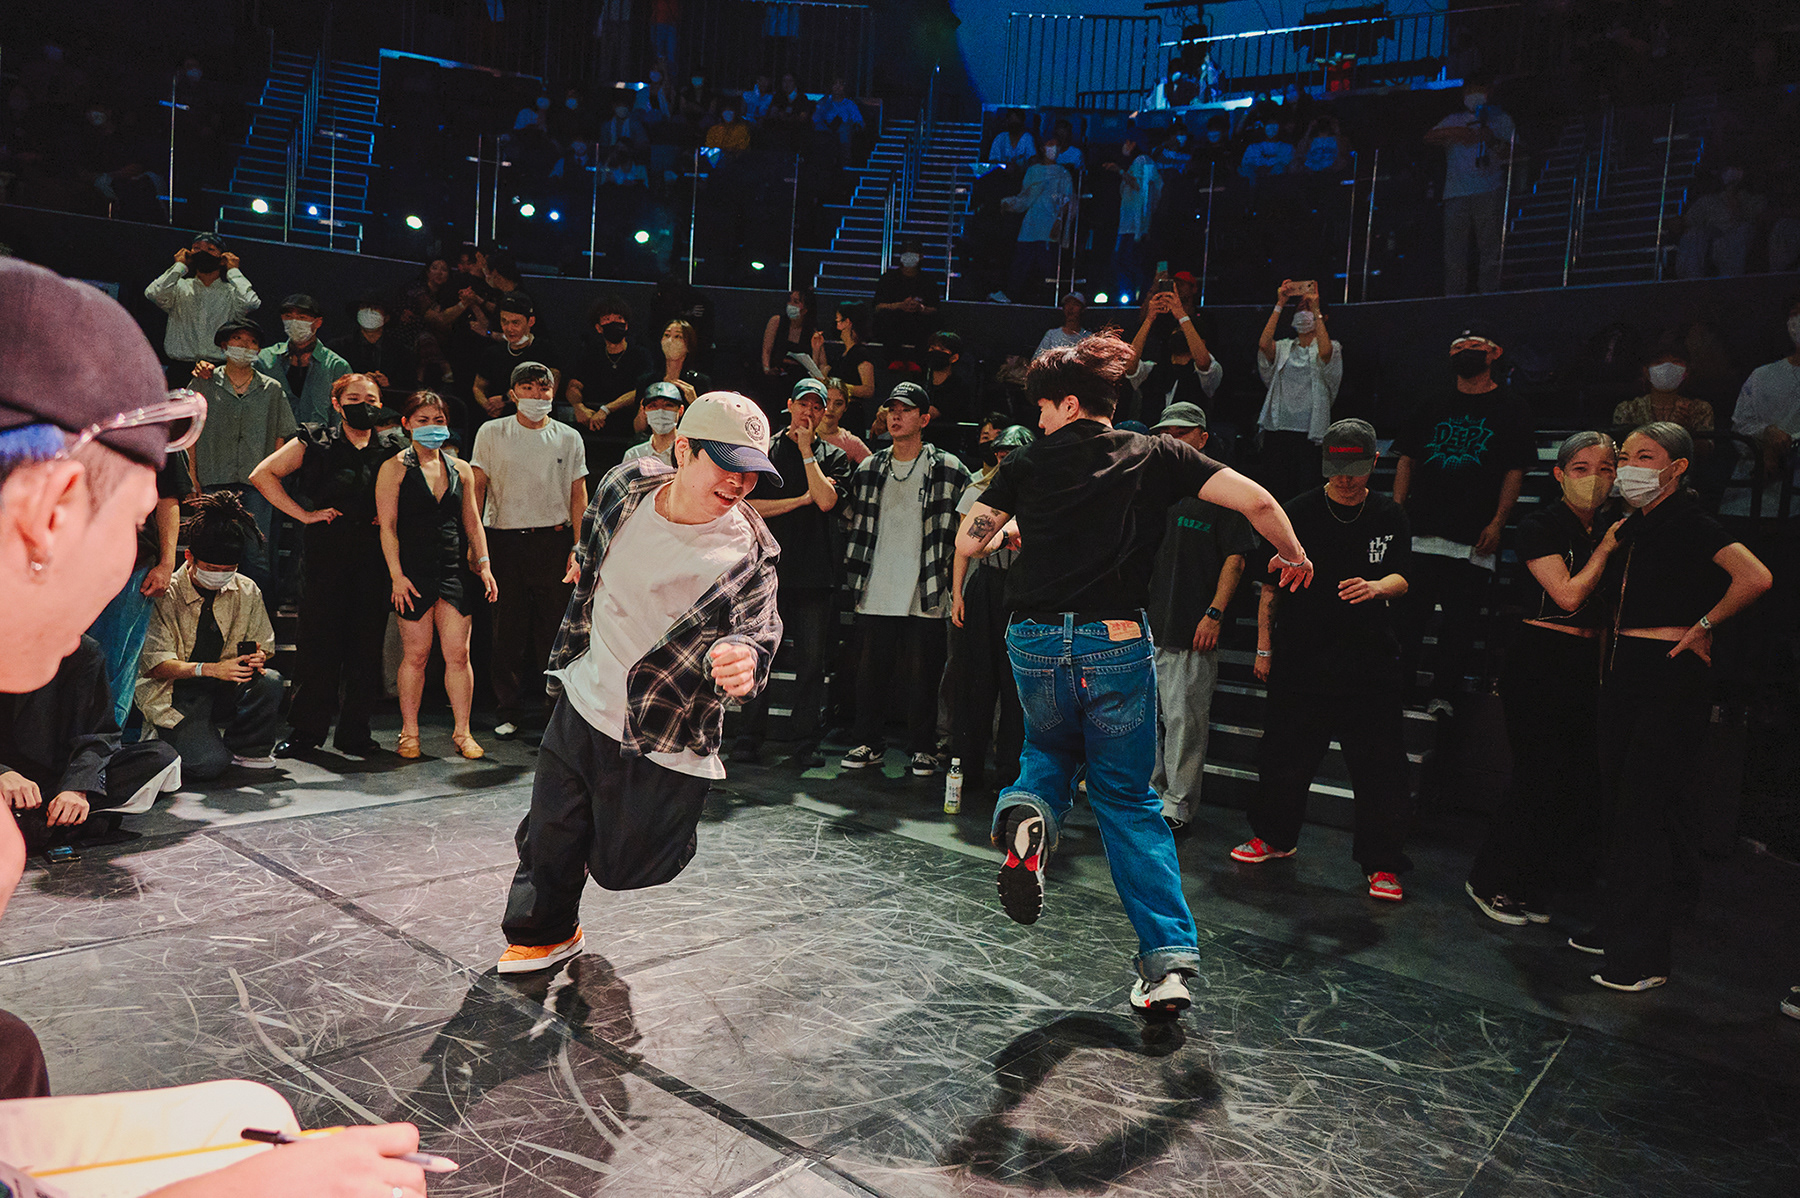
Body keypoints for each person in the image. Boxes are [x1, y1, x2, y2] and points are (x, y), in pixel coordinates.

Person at [957, 334, 1312, 1015]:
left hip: (1034, 636)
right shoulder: (1157, 453)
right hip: (1115, 638)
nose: (1038, 421)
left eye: (1042, 409)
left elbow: (971, 539)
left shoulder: (1025, 462)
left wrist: (1011, 532)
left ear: (1068, 404)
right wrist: (1294, 556)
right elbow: (1259, 503)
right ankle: (1167, 961)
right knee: (1126, 797)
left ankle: (1029, 812)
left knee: (1047, 750)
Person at [497, 393, 783, 974]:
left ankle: (587, 843)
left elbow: (758, 630)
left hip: (664, 724)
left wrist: (744, 659)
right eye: (726, 464)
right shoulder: (625, 487)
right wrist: (583, 559)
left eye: (752, 470)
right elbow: (592, 536)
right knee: (552, 827)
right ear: (684, 449)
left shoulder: (748, 552)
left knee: (625, 864)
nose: (739, 482)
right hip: (587, 694)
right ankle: (545, 931)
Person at [1584, 423, 1771, 991]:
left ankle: (1644, 957)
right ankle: (1622, 926)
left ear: (1678, 466)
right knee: (1623, 803)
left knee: (1644, 808)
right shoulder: (1632, 525)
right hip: (1625, 669)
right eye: (1625, 456)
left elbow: (1755, 577)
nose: (1630, 466)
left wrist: (1705, 625)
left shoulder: (1691, 521)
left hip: (1667, 672)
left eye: (1645, 456)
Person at [1233, 420, 1412, 900]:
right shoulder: (1297, 511)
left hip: (1369, 658)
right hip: (1302, 654)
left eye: (1356, 468)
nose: (1346, 478)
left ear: (1374, 463)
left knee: (1380, 766)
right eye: (1336, 467)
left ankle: (1383, 863)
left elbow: (1403, 576)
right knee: (1284, 754)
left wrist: (1377, 587)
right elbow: (1269, 586)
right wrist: (1264, 647)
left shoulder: (1389, 514)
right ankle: (1274, 836)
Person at [1465, 432, 1619, 925]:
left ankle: (1532, 882)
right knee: (1536, 774)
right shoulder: (1540, 525)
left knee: (1572, 779)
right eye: (1581, 468)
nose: (1594, 479)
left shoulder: (1609, 526)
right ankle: (1490, 880)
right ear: (1559, 474)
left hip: (1586, 659)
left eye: (1606, 469)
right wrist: (1607, 549)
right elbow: (1567, 595)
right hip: (1539, 657)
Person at [249, 374, 405, 757]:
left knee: (366, 647)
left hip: (373, 555)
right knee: (318, 644)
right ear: (337, 403)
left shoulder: (392, 448)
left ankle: (356, 732)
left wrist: (391, 517)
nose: (364, 404)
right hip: (325, 552)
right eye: (354, 398)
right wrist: (303, 515)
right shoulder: (316, 440)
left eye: (371, 399)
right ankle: (306, 732)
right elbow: (261, 475)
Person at [1392, 325, 1536, 717]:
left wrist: (1498, 522)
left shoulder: (1512, 407)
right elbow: (1406, 458)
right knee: (1407, 622)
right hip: (1420, 531)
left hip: (1474, 535)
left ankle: (1443, 695)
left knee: (1460, 627)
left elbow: (1514, 470)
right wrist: (1398, 509)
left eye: (1474, 346)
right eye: (1458, 347)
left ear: (1495, 352)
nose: (1465, 352)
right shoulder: (1431, 403)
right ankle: (1400, 691)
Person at [840, 382, 971, 777]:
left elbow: (969, 517)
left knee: (924, 675)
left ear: (924, 419)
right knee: (870, 673)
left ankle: (922, 747)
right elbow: (850, 518)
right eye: (892, 409)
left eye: (906, 410)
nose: (895, 416)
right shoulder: (870, 467)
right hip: (876, 583)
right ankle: (868, 742)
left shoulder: (948, 467)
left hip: (925, 585)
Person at [735, 379, 854, 766]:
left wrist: (806, 452)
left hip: (814, 575)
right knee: (757, 656)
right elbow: (747, 506)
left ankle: (805, 742)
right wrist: (799, 501)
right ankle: (748, 737)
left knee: (810, 664)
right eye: (803, 404)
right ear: (789, 405)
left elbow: (826, 501)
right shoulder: (764, 452)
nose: (809, 412)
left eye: (817, 407)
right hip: (766, 572)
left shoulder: (833, 457)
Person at [1145, 402, 1253, 831]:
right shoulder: (1150, 485)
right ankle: (1150, 798)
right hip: (1144, 625)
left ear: (1203, 438)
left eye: (1181, 433)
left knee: (1184, 722)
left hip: (1190, 625)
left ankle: (1178, 806)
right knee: (1146, 723)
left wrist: (1214, 613)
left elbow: (1236, 558)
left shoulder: (1223, 488)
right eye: (1165, 433)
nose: (1171, 440)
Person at [375, 390, 497, 760]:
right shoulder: (394, 468)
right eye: (423, 420)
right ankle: (409, 733)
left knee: (458, 653)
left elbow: (472, 522)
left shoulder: (461, 468)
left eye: (438, 420)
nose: (432, 427)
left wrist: (484, 564)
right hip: (412, 570)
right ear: (407, 424)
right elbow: (388, 527)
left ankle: (463, 731)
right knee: (416, 654)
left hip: (453, 569)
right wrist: (396, 576)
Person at [471, 363, 589, 740]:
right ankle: (508, 708)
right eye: (527, 387)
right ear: (512, 393)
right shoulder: (492, 432)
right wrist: (477, 545)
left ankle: (556, 711)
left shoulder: (568, 436)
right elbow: (476, 488)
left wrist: (579, 544)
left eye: (543, 388)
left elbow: (578, 494)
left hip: (553, 541)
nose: (536, 395)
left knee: (554, 629)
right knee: (507, 629)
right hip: (504, 540)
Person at [135, 492, 283, 780]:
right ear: (189, 557)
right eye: (212, 569)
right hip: (176, 692)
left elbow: (264, 644)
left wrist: (258, 657)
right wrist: (209, 669)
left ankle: (248, 747)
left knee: (270, 681)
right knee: (207, 764)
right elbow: (154, 664)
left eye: (229, 570)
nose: (220, 575)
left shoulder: (246, 589)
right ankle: (168, 737)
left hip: (223, 687)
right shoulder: (166, 592)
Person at [1, 636, 183, 854]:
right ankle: (55, 825)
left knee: (161, 758)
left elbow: (98, 734)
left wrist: (77, 788)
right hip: (6, 777)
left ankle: (39, 823)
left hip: (55, 778)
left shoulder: (81, 650)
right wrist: (3, 773)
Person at [950, 425, 1033, 798]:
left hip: (1024, 590)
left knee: (1016, 686)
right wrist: (957, 593)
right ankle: (967, 766)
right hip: (986, 585)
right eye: (1000, 453)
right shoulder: (980, 491)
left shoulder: (1038, 494)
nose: (1004, 458)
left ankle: (1009, 771)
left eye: (1010, 453)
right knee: (975, 679)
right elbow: (963, 547)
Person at [189, 319, 297, 599]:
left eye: (252, 342)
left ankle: (258, 611)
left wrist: (274, 479)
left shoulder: (271, 388)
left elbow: (281, 435)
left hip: (257, 484)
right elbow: (190, 433)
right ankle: (207, 606)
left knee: (257, 552)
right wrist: (192, 476)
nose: (245, 346)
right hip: (213, 477)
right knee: (211, 547)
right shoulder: (204, 382)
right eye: (238, 339)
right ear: (224, 344)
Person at [85, 445, 190, 728]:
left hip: (133, 563)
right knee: (60, 661)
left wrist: (167, 563)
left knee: (117, 666)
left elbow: (168, 497)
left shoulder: (159, 428)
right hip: (70, 558)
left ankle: (105, 744)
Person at [1424, 80, 1516, 294]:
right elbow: (1429, 137)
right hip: (1456, 192)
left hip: (1489, 189)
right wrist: (1457, 132)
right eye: (1470, 90)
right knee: (1454, 248)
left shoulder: (1501, 119)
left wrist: (1492, 141)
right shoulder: (1454, 120)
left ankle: (1489, 291)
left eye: (1479, 89)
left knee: (1490, 245)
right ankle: (1454, 294)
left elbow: (1515, 153)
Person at [1254, 281, 1342, 505]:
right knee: (1277, 490)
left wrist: (1315, 307)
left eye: (1307, 307)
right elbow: (1264, 344)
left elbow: (1325, 353)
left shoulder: (1331, 346)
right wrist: (1280, 303)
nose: (1303, 312)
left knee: (1306, 492)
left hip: (1309, 433)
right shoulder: (1284, 346)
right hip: (1279, 429)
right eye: (1300, 308)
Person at [1720, 295, 1800, 518]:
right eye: (1795, 313)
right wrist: (1765, 435)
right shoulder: (1763, 376)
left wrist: (1783, 446)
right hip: (1753, 495)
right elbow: (1740, 426)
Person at [143, 233, 258, 385]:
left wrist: (233, 270)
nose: (203, 253)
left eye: (210, 249)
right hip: (181, 370)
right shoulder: (179, 288)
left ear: (222, 258)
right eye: (197, 249)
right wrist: (179, 266)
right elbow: (153, 293)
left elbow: (251, 302)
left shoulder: (231, 292)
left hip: (218, 370)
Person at [992, 137, 1075, 306]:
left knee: (1047, 267)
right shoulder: (1033, 171)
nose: (1053, 149)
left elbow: (1067, 200)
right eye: (1050, 145)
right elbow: (1025, 196)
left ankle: (1049, 301)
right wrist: (1009, 204)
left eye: (1056, 146)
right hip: (1030, 225)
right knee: (1021, 262)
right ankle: (1011, 295)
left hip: (1049, 226)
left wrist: (1059, 221)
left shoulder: (1063, 174)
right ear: (1043, 148)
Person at [1126, 291, 1222, 428]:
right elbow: (1130, 364)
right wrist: (1149, 319)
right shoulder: (1153, 369)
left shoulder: (1209, 372)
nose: (1178, 332)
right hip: (1154, 435)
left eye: (1183, 330)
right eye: (1176, 329)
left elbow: (1203, 363)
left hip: (1188, 436)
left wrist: (1182, 315)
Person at [257, 294, 351, 427]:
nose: (294, 322)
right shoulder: (264, 360)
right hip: (273, 436)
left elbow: (341, 415)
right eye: (288, 316)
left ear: (318, 322)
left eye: (302, 317)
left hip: (319, 438)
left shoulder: (336, 366)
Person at [473, 294, 560, 426]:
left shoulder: (546, 350)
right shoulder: (492, 353)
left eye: (515, 323)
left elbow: (549, 389)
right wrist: (488, 406)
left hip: (536, 423)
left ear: (530, 322)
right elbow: (478, 387)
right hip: (500, 423)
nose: (509, 328)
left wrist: (505, 399)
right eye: (504, 321)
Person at [1676, 166, 1767, 280]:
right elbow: (1687, 221)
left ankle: (1730, 281)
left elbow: (1755, 220)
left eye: (1736, 168)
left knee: (1740, 234)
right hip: (1712, 238)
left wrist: (1733, 200)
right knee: (1693, 235)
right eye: (1727, 169)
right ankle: (1692, 281)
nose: (1731, 173)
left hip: (1738, 236)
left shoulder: (1754, 200)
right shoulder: (1707, 201)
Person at [1612, 346, 1716, 442]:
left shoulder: (1700, 409)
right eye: (1659, 362)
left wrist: (1686, 431)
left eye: (1676, 362)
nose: (1667, 368)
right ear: (1646, 371)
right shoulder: (1628, 409)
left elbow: (1706, 451)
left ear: (1686, 372)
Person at [328, 296, 416, 405]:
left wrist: (388, 384)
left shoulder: (402, 353)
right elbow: (329, 383)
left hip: (389, 408)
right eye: (364, 307)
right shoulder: (338, 348)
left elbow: (409, 389)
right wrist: (357, 380)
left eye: (375, 308)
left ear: (386, 317)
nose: (369, 311)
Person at [1110, 135, 1162, 302]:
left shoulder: (1143, 160)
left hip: (1136, 225)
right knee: (1122, 261)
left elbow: (1141, 187)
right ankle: (1129, 298)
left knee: (1129, 262)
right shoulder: (1135, 163)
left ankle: (1136, 299)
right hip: (1128, 224)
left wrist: (1119, 170)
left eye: (1129, 142)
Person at [873, 239, 943, 357]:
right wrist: (898, 306)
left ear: (921, 256)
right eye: (906, 253)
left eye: (913, 253)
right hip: (894, 325)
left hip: (919, 325)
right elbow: (877, 307)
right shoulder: (888, 278)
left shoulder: (928, 281)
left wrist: (920, 308)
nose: (909, 257)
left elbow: (935, 309)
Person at [810, 301, 877, 410]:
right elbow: (823, 370)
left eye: (838, 320)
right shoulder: (842, 354)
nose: (836, 326)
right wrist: (818, 349)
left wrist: (839, 387)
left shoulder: (860, 354)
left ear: (847, 322)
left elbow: (868, 389)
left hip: (850, 410)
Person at [760, 285, 818, 401]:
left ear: (805, 309)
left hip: (798, 379)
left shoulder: (811, 332)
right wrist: (767, 370)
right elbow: (766, 350)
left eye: (795, 302)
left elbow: (816, 363)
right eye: (790, 300)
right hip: (776, 376)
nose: (790, 305)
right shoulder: (777, 321)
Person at [921, 331, 974, 449]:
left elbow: (934, 412)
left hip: (948, 444)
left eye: (942, 349)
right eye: (932, 348)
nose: (935, 352)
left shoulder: (960, 387)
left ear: (954, 358)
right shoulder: (921, 380)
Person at [622, 382, 689, 468]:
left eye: (668, 405)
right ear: (644, 411)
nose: (660, 411)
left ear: (680, 410)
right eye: (653, 406)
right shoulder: (634, 455)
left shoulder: (690, 452)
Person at [817, 376, 871, 465]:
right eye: (826, 401)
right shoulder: (803, 434)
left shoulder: (850, 442)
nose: (831, 408)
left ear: (845, 407)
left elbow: (875, 468)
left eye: (838, 404)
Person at [1034, 293, 1089, 357]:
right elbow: (1037, 359)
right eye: (1067, 304)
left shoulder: (1088, 337)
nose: (1070, 308)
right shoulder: (1051, 335)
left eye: (1075, 304)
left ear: (1082, 309)